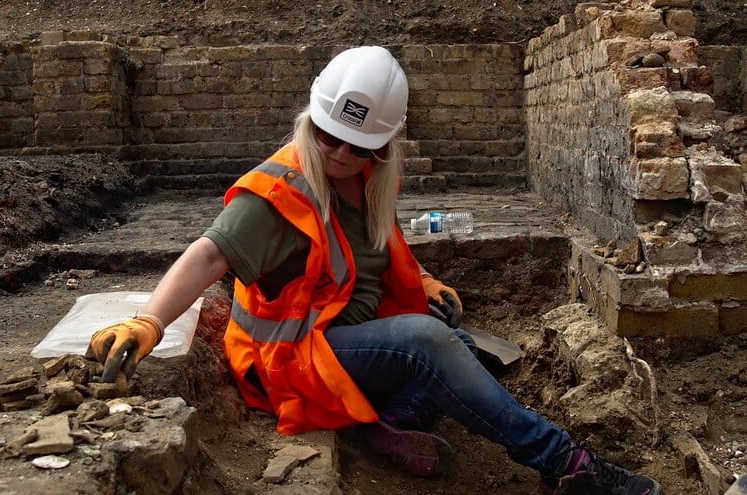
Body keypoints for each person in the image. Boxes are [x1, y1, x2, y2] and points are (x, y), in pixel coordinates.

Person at [87, 46, 663, 494]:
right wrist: (149, 322)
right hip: (293, 359)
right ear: (311, 119)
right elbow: (208, 255)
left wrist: (427, 285)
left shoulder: (364, 180)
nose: (339, 155)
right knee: (431, 344)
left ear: (384, 147)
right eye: (330, 137)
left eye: (357, 147)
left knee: (454, 343)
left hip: (344, 342)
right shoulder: (277, 192)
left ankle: (380, 425)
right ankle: (564, 464)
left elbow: (375, 251)